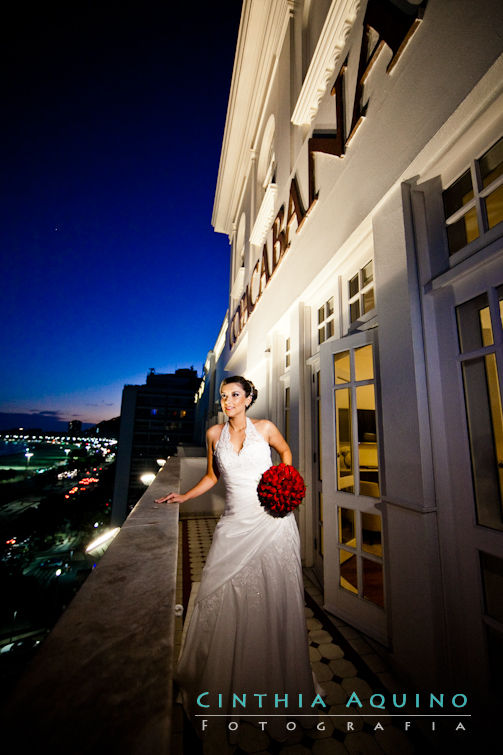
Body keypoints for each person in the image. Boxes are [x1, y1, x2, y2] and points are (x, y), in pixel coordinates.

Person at [155, 376, 320, 742]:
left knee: (272, 594)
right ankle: (224, 682)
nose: (228, 401)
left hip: (272, 522)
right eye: (224, 396)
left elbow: (287, 454)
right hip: (234, 525)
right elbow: (213, 476)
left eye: (234, 395)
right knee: (216, 588)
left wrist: (283, 482)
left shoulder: (266, 427)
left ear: (248, 398)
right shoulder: (214, 435)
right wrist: (183, 497)